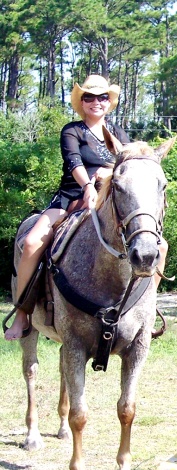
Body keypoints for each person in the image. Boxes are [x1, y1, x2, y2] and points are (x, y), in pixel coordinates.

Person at [4, 75, 168, 341]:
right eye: (89, 97)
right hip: (71, 198)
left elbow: (129, 167)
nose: (96, 102)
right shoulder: (72, 131)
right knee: (33, 242)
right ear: (81, 102)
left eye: (102, 97)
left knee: (160, 247)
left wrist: (108, 177)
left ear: (109, 102)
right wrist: (88, 186)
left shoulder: (119, 134)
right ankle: (23, 312)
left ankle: (146, 310)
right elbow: (73, 163)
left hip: (109, 203)